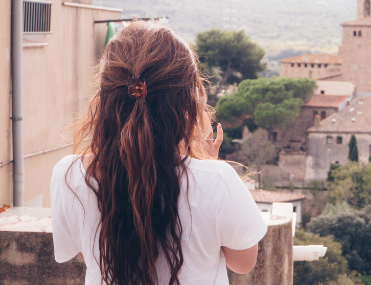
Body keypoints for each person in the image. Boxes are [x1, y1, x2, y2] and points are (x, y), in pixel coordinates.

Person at [50, 22, 266, 285]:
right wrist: (206, 164)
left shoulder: (69, 175)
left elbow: (89, 253)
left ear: (105, 97)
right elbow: (243, 263)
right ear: (186, 101)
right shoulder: (218, 181)